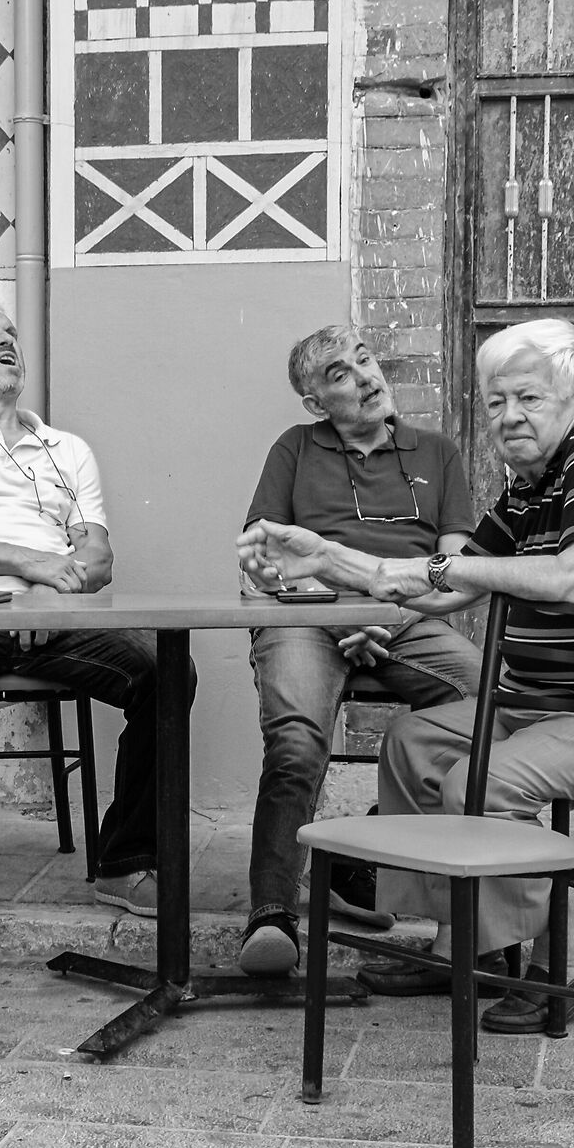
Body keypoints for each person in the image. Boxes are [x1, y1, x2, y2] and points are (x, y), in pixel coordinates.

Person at [237, 317, 574, 1033]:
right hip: (559, 704)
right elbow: (450, 587)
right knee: (412, 744)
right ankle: (462, 945)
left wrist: (432, 569)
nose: (508, 417)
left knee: (483, 780)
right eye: (496, 402)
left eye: (528, 398)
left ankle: (564, 963)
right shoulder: (535, 483)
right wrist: (330, 562)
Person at [0, 296, 186, 980]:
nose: (7, 339)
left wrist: (49, 592)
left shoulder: (64, 449)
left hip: (55, 613)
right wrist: (33, 565)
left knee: (167, 669)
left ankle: (126, 859)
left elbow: (99, 558)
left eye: (11, 331)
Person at [233, 326, 483, 978]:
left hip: (404, 614)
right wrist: (336, 603)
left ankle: (357, 857)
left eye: (364, 360)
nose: (365, 377)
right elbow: (265, 556)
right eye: (340, 373)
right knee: (295, 741)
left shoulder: (437, 452)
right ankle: (272, 913)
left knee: (487, 701)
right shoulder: (293, 448)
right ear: (316, 402)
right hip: (307, 613)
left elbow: (457, 570)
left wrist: (384, 611)